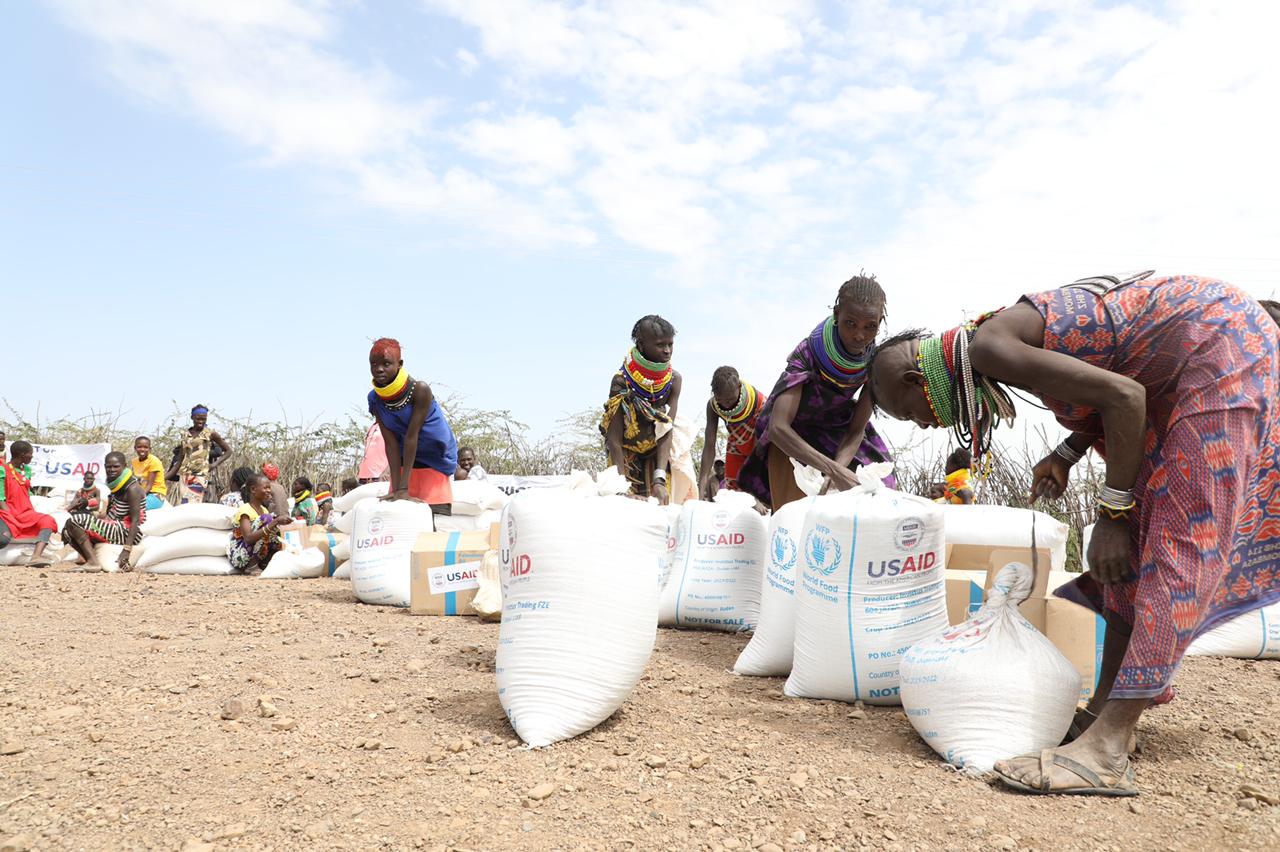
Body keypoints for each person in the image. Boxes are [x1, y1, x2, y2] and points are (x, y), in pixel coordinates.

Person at [869, 271, 1280, 797]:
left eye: (911, 414)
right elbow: (1109, 373)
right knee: (1129, 552)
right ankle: (1104, 715)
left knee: (1181, 538)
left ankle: (1106, 750)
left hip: (1221, 348)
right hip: (1190, 360)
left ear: (914, 379)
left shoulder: (990, 347)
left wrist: (1111, 516)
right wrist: (1065, 454)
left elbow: (1126, 396)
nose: (926, 426)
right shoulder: (996, 341)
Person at [737, 274, 896, 511]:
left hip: (839, 431)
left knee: (877, 496)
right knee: (795, 516)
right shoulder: (809, 353)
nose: (859, 335)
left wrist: (837, 473)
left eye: (870, 327)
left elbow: (855, 431)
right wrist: (834, 470)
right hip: (792, 437)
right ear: (836, 314)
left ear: (880, 322)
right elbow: (778, 427)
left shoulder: (875, 362)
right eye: (850, 323)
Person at [367, 338, 458, 513]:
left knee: (433, 517)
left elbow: (412, 436)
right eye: (374, 364)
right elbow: (390, 443)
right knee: (399, 515)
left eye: (386, 364)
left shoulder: (419, 390)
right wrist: (396, 490)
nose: (379, 369)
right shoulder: (374, 398)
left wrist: (402, 489)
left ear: (400, 364)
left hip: (434, 455)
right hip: (404, 455)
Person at [601, 315, 683, 503]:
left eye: (670, 344)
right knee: (624, 507)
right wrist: (622, 487)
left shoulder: (673, 381)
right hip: (625, 456)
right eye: (660, 345)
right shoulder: (622, 381)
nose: (667, 351)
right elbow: (614, 440)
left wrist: (659, 480)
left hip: (657, 455)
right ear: (640, 345)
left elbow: (666, 430)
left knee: (660, 509)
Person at [62, 451, 146, 572]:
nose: (111, 469)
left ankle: (92, 562)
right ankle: (92, 561)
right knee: (66, 531)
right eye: (108, 466)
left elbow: (135, 520)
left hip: (125, 532)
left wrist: (126, 550)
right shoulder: (117, 487)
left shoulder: (132, 489)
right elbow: (107, 514)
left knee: (74, 521)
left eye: (116, 466)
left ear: (124, 466)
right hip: (114, 527)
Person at [699, 366, 767, 499]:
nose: (725, 405)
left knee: (760, 498)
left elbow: (759, 448)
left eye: (729, 400)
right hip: (736, 445)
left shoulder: (759, 402)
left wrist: (755, 496)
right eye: (720, 400)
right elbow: (709, 445)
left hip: (761, 450)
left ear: (739, 386)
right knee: (733, 496)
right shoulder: (713, 406)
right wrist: (701, 486)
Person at [0, 440, 59, 566]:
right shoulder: (3, 469)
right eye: (30, 454)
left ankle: (36, 557)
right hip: (8, 512)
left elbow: (25, 491)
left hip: (26, 512)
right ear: (21, 455)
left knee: (48, 520)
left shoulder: (26, 470)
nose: (32, 456)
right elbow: (0, 497)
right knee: (3, 538)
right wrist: (10, 516)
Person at [166, 405, 231, 504]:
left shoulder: (210, 434)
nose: (201, 421)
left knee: (193, 504)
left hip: (199, 475)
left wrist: (213, 465)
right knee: (184, 504)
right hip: (184, 476)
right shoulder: (185, 434)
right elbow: (181, 458)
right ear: (192, 418)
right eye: (198, 419)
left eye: (203, 419)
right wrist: (167, 475)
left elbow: (228, 451)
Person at [227, 472, 289, 574]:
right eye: (265, 488)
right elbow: (248, 538)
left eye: (269, 488)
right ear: (253, 489)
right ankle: (252, 566)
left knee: (276, 530)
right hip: (241, 556)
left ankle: (265, 563)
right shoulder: (245, 509)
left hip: (255, 554)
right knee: (268, 520)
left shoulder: (264, 509)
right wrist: (275, 521)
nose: (269, 491)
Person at [131, 436, 168, 510]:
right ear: (135, 448)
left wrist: (136, 498)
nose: (142, 449)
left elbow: (149, 486)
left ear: (150, 449)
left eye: (145, 447)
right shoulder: (134, 461)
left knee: (134, 508)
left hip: (155, 494)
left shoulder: (153, 461)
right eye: (139, 447)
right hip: (142, 493)